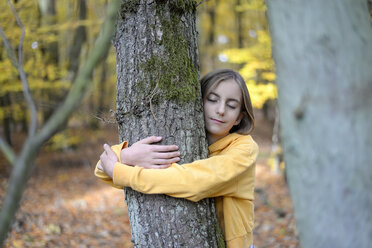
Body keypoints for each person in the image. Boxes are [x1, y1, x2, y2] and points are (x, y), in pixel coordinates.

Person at [95, 69, 258, 248]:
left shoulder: (244, 150)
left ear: (238, 118)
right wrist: (127, 155)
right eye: (212, 100)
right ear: (198, 102)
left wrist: (121, 171)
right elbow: (102, 169)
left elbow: (194, 182)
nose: (220, 110)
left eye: (231, 106)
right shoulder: (184, 139)